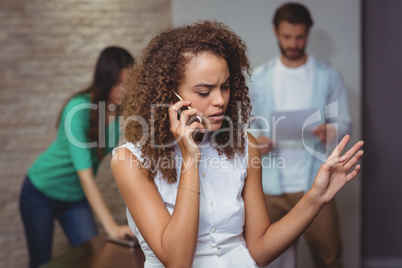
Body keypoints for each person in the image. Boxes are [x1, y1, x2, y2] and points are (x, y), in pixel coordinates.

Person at [111, 21, 362, 268]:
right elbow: (177, 261)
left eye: (226, 86)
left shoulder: (244, 147)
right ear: (169, 95)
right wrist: (190, 160)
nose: (220, 100)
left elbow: (260, 249)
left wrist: (317, 196)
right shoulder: (131, 160)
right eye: (204, 91)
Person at [249, 3, 352, 268]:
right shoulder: (259, 78)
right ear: (276, 32)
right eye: (287, 37)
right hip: (270, 187)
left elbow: (344, 122)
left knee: (329, 258)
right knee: (268, 260)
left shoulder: (328, 76)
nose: (293, 43)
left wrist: (331, 131)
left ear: (307, 34)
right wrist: (257, 140)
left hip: (317, 182)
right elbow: (248, 124)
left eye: (299, 37)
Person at [19, 46, 135, 268]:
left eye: (128, 83)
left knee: (93, 257)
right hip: (40, 191)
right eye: (117, 83)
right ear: (104, 80)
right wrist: (111, 227)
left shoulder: (123, 116)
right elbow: (85, 176)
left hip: (75, 198)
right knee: (41, 262)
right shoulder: (78, 108)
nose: (124, 90)